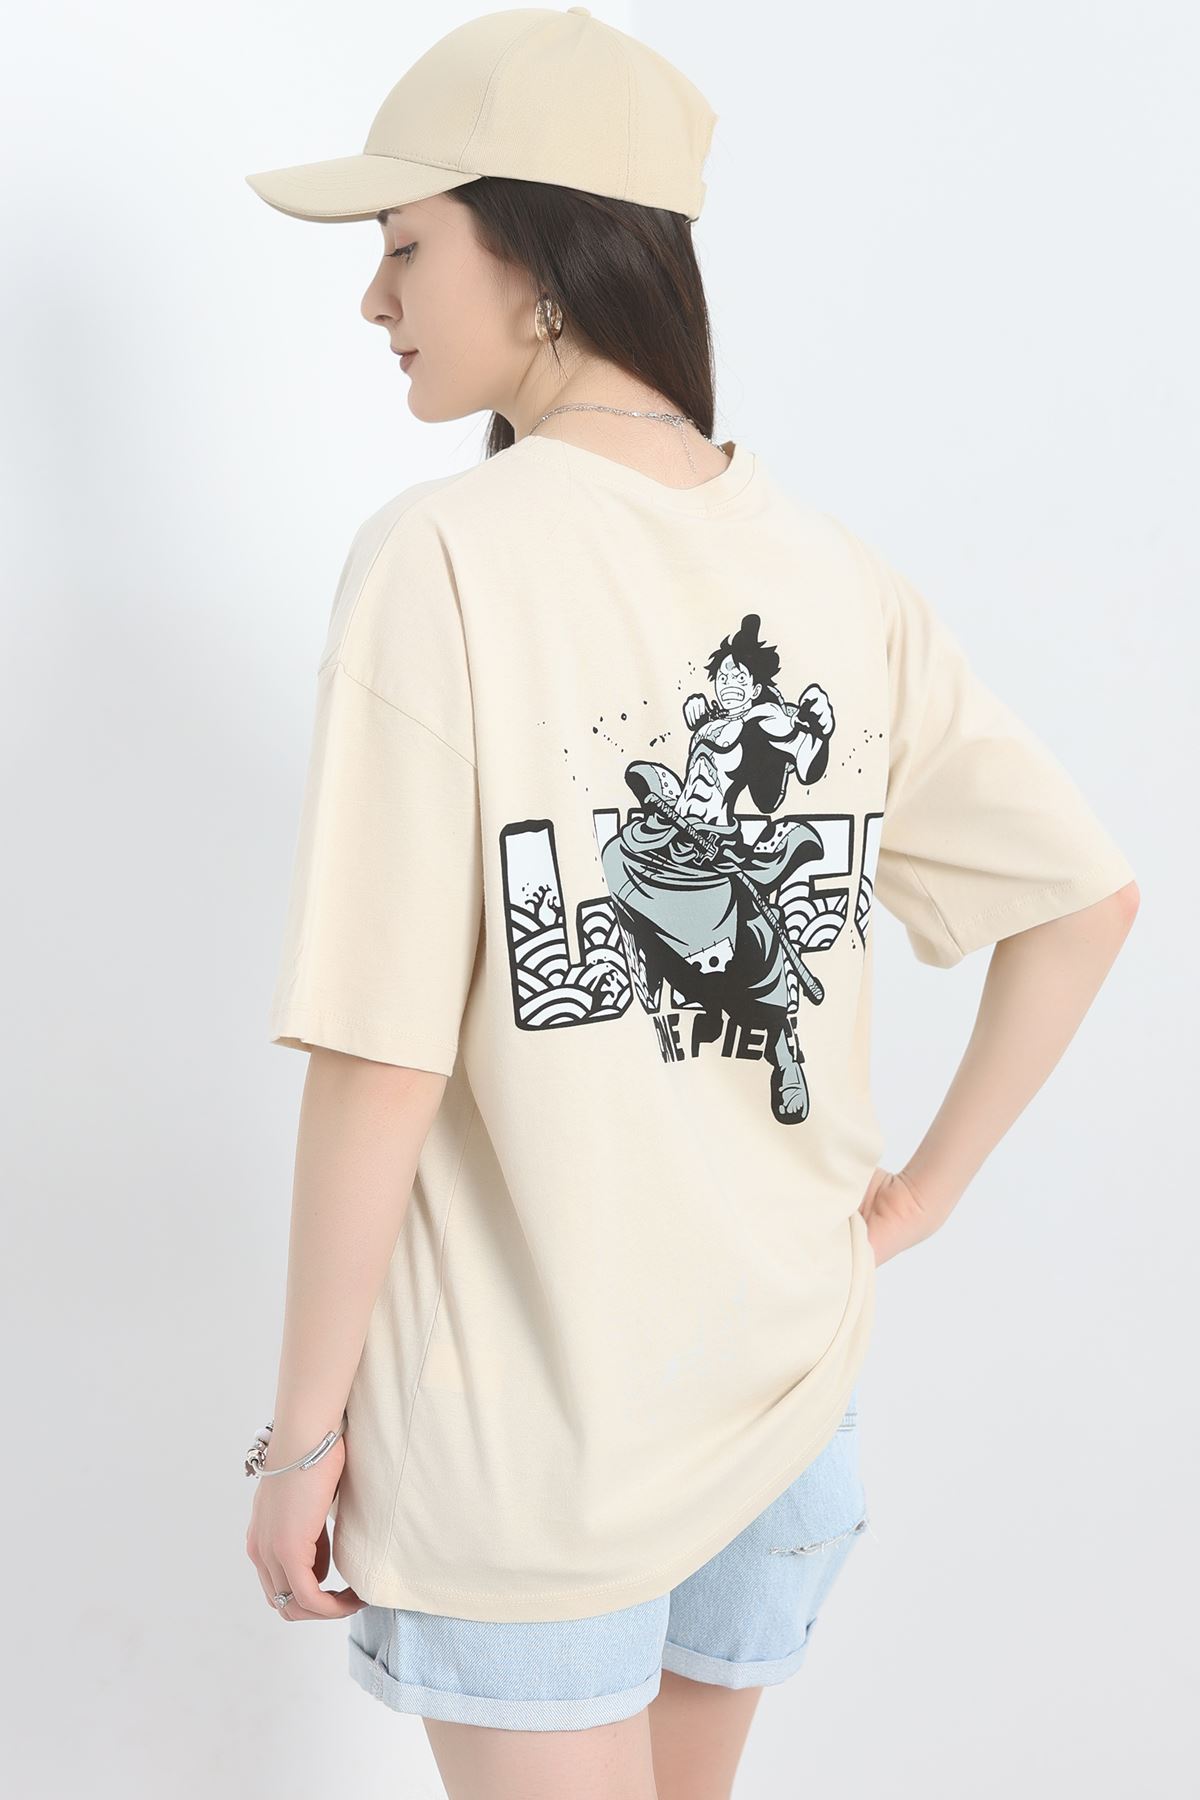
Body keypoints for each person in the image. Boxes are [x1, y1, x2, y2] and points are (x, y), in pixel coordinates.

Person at [241, 9, 1139, 1798]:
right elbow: (1082, 901)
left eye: (406, 245)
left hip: (532, 1439)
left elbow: (382, 1048)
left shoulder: (444, 558)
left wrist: (300, 1440)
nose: (374, 299)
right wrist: (918, 1198)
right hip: (784, 1399)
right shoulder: (830, 571)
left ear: (542, 251)